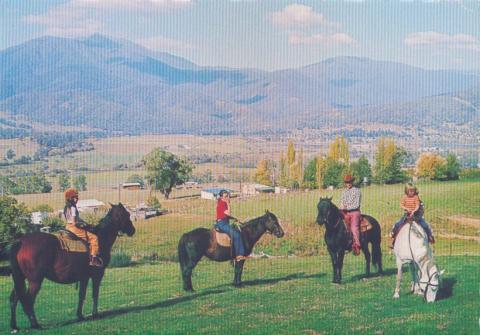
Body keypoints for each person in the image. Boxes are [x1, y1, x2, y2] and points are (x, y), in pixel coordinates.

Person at [64, 188, 103, 267]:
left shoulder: (66, 207)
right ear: (71, 198)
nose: (77, 199)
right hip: (73, 228)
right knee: (94, 238)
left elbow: (74, 219)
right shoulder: (73, 208)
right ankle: (94, 259)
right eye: (75, 197)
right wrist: (83, 225)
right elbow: (75, 222)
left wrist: (85, 223)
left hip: (67, 227)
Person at [390, 183, 435, 248]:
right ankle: (393, 239)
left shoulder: (416, 197)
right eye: (410, 191)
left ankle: (430, 237)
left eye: (413, 191)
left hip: (416, 215)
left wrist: (414, 211)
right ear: (406, 191)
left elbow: (417, 205)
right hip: (407, 215)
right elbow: (402, 205)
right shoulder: (404, 197)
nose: (411, 192)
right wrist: (406, 209)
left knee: (425, 225)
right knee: (398, 224)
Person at [214, 190, 248, 261]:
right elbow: (228, 213)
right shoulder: (222, 203)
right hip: (222, 224)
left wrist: (235, 219)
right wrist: (228, 203)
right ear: (221, 197)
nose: (228, 197)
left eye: (228, 196)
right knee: (236, 235)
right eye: (226, 196)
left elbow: (225, 215)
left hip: (223, 222)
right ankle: (239, 255)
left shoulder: (222, 202)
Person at [340, 175, 362, 256]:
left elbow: (356, 204)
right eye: (346, 182)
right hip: (345, 212)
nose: (348, 184)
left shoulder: (357, 191)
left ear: (352, 182)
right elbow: (342, 202)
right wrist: (341, 207)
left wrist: (346, 207)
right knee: (341, 227)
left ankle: (357, 244)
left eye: (349, 182)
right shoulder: (343, 192)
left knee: (354, 228)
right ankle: (344, 245)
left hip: (354, 212)